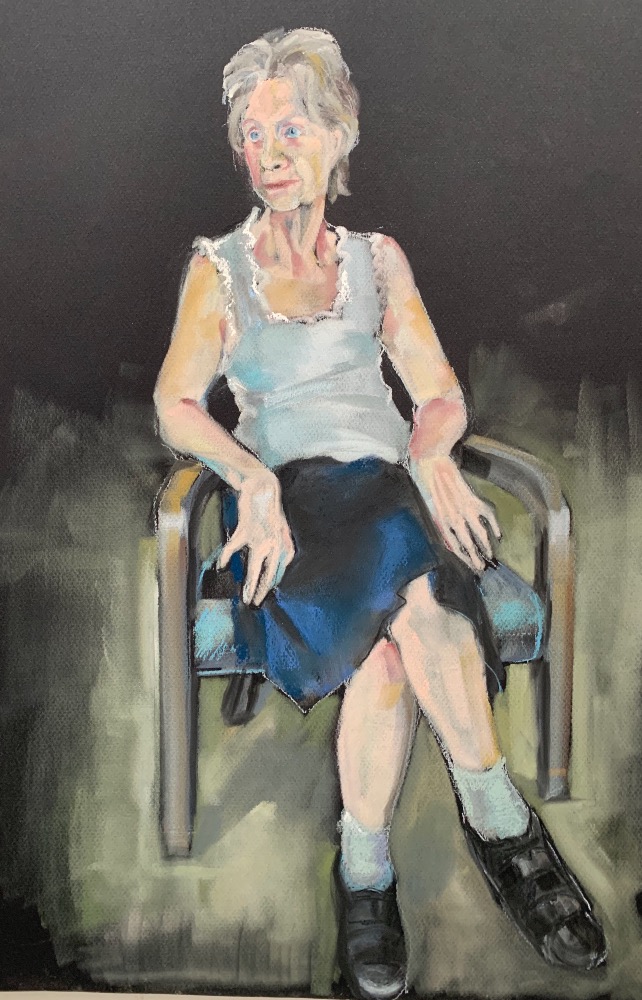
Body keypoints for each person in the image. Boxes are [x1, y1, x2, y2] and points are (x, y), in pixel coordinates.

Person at [154, 27, 607, 999]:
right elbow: (177, 405)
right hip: (291, 513)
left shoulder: (376, 261)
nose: (271, 152)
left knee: (397, 635)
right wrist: (251, 478)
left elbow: (436, 394)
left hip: (388, 487)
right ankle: (506, 831)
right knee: (411, 588)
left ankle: (366, 877)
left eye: (292, 127)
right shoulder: (219, 270)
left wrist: (433, 450)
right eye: (253, 133)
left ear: (338, 136)